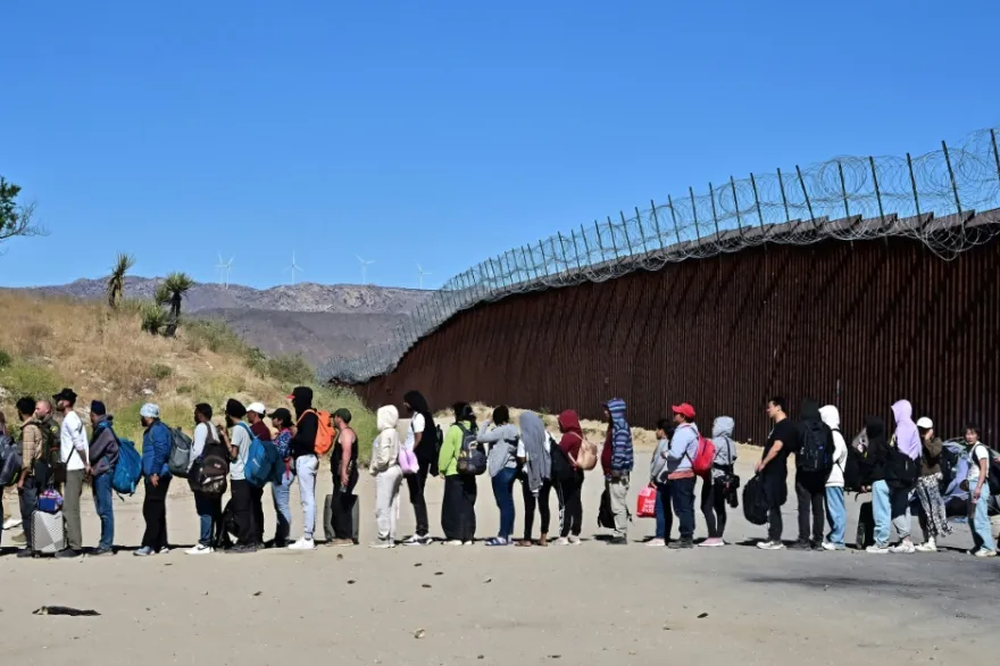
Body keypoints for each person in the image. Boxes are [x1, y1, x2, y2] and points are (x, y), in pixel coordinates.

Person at [53, 388, 90, 559]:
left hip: (74, 468)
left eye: (60, 399)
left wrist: (85, 463)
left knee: (70, 508)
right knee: (69, 507)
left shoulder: (71, 419)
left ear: (66, 402)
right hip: (73, 467)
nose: (57, 402)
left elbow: (79, 443)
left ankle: (75, 547)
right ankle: (72, 543)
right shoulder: (70, 419)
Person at [757, 397, 796, 550]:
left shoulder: (784, 426)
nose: (768, 410)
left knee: (773, 504)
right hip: (772, 470)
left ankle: (775, 538)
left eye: (770, 407)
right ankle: (772, 536)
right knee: (771, 503)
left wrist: (764, 463)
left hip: (776, 470)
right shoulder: (778, 426)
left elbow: (777, 447)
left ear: (778, 408)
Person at [794, 399, 833, 550]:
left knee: (804, 507)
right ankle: (818, 540)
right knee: (818, 507)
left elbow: (795, 446)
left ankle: (803, 539)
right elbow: (831, 450)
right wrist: (826, 470)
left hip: (804, 471)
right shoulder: (826, 429)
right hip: (821, 473)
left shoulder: (801, 427)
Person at [478, 406, 519, 546]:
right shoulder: (513, 430)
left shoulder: (500, 431)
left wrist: (486, 422)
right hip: (512, 468)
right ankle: (507, 534)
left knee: (503, 503)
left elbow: (480, 438)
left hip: (501, 469)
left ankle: (502, 535)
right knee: (508, 502)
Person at [439, 402, 478, 545]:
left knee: (453, 505)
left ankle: (455, 536)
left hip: (455, 471)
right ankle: (468, 535)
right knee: (468, 504)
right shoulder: (474, 429)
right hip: (470, 470)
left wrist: (441, 469)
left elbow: (446, 452)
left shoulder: (455, 429)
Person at [220, 399, 256, 554]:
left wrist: (225, 438)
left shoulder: (237, 430)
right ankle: (249, 539)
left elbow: (233, 454)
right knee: (245, 508)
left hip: (239, 475)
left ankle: (244, 541)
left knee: (240, 510)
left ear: (229, 414)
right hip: (247, 474)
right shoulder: (246, 428)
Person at [136, 403, 172, 556]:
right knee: (157, 510)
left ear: (147, 416)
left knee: (150, 511)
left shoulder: (158, 430)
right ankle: (162, 544)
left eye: (142, 416)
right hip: (154, 475)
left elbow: (161, 452)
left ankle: (149, 544)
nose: (140, 419)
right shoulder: (154, 429)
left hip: (158, 476)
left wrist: (155, 473)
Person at [15, 397, 49, 558]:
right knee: (35, 510)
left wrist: (21, 478)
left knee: (28, 511)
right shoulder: (37, 426)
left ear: (20, 411)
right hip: (38, 474)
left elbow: (27, 459)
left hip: (30, 477)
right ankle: (38, 545)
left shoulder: (28, 429)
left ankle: (32, 546)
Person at [402, 390, 437, 546]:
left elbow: (418, 438)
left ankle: (422, 531)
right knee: (417, 494)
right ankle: (422, 530)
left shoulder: (419, 417)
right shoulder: (424, 416)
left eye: (406, 402)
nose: (404, 405)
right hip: (420, 460)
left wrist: (409, 456)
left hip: (416, 461)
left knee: (417, 494)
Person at [913, 416, 952, 552]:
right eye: (920, 430)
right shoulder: (918, 441)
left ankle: (932, 540)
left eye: (924, 430)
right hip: (920, 479)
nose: (922, 432)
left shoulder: (936, 441)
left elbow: (933, 453)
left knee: (933, 510)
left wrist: (927, 440)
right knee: (923, 511)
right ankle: (926, 539)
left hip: (932, 478)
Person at [287, 386, 319, 550]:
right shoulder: (306, 416)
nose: (292, 403)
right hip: (305, 460)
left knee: (308, 499)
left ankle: (308, 537)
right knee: (307, 498)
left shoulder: (309, 417)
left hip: (306, 459)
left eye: (294, 399)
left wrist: (294, 436)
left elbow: (307, 441)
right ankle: (308, 536)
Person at [188, 403, 222, 555]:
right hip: (215, 472)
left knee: (204, 508)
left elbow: (197, 451)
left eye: (196, 412)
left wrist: (189, 468)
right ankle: (212, 540)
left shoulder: (201, 427)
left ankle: (204, 542)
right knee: (213, 507)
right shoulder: (212, 428)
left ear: (200, 414)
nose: (194, 415)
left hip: (204, 473)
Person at [888, 400, 921, 554]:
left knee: (896, 507)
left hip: (902, 473)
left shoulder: (903, 426)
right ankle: (905, 540)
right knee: (904, 506)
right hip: (912, 472)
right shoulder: (912, 425)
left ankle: (905, 539)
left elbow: (901, 450)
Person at [665, 403, 699, 549]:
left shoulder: (683, 432)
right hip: (687, 473)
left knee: (682, 506)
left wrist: (664, 454)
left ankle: (686, 536)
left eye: (677, 413)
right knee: (687, 505)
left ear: (683, 416)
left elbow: (675, 453)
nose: (674, 415)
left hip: (681, 474)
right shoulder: (692, 431)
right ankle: (688, 533)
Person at [369, 405, 403, 548]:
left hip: (386, 471)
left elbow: (383, 457)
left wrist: (375, 466)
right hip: (396, 469)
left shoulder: (385, 434)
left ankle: (383, 537)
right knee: (392, 505)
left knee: (382, 506)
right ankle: (390, 536)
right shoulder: (394, 432)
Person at [517, 410, 552, 547]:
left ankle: (527, 538)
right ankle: (543, 537)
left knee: (529, 507)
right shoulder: (546, 435)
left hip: (529, 475)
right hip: (545, 473)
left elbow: (521, 457)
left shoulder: (524, 438)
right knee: (544, 506)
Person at [88, 400, 119, 556]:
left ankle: (106, 545)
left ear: (93, 414)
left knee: (105, 510)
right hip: (102, 472)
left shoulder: (103, 430)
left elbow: (93, 453)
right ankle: (105, 542)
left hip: (103, 473)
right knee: (102, 509)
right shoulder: (104, 428)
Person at [602, 398, 634, 545]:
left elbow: (620, 451)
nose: (605, 413)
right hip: (612, 473)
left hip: (618, 474)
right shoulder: (614, 426)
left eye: (607, 410)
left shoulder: (620, 427)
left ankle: (621, 534)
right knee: (614, 502)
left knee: (618, 504)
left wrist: (615, 468)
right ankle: (618, 531)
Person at [702, 415, 737, 547]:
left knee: (706, 506)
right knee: (720, 507)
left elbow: (709, 459)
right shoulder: (731, 443)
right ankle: (719, 534)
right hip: (726, 478)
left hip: (714, 477)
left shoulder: (715, 442)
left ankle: (712, 535)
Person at [963, 424, 996, 557]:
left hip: (979, 484)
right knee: (972, 517)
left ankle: (988, 546)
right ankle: (979, 544)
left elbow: (983, 469)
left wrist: (978, 487)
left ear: (978, 435)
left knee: (980, 517)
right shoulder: (971, 449)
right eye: (967, 434)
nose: (969, 436)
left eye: (972, 434)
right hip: (972, 483)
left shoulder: (980, 449)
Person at [328, 408, 359, 546]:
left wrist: (344, 473)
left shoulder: (346, 433)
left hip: (345, 474)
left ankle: (344, 536)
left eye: (334, 417)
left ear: (339, 418)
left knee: (340, 503)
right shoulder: (345, 432)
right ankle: (342, 535)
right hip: (342, 474)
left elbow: (346, 452)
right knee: (339, 502)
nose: (333, 419)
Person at [554, 410, 585, 546]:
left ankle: (564, 535)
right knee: (576, 503)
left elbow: (560, 451)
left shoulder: (568, 437)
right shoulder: (579, 435)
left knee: (566, 503)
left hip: (568, 473)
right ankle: (575, 533)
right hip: (579, 472)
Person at [820, 405, 848, 551]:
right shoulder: (831, 433)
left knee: (836, 509)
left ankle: (838, 539)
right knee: (831, 510)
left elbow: (834, 455)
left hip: (834, 478)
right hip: (829, 478)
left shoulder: (834, 435)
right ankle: (834, 537)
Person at [864, 415, 892, 554]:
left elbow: (869, 463)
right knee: (885, 511)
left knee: (880, 512)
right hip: (887, 480)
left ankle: (881, 542)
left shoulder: (873, 444)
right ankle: (883, 540)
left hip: (878, 481)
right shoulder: (884, 443)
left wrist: (864, 481)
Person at [269, 407, 294, 548]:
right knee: (279, 507)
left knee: (282, 506)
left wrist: (272, 442)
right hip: (282, 473)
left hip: (283, 474)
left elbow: (282, 452)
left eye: (274, 418)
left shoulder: (285, 435)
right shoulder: (284, 434)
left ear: (280, 420)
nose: (272, 420)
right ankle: (280, 537)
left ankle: (284, 537)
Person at [246, 402, 270, 546]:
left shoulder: (256, 430)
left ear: (254, 413)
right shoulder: (264, 429)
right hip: (260, 472)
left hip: (254, 472)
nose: (247, 415)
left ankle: (254, 536)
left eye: (249, 412)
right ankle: (257, 535)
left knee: (252, 504)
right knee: (255, 503)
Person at [647, 419, 673, 547]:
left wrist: (652, 476)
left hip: (662, 479)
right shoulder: (671, 442)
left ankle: (660, 536)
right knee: (667, 507)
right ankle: (665, 535)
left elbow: (659, 462)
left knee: (661, 508)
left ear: (662, 431)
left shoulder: (663, 443)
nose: (655, 432)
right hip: (669, 478)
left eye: (657, 429)